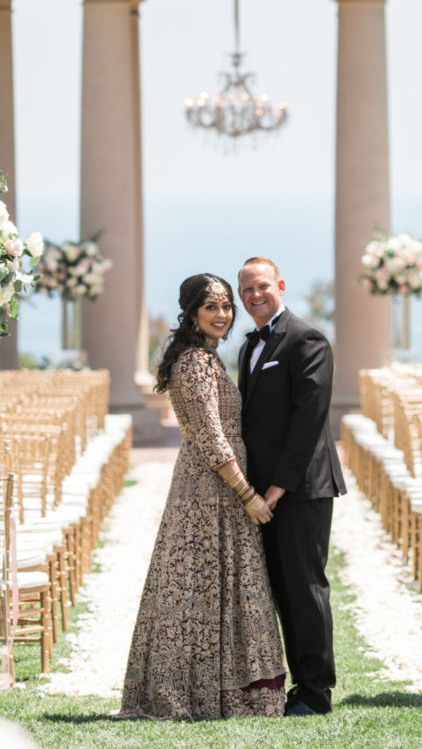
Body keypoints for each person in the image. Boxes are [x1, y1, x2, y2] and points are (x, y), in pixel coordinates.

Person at [119, 273, 286, 719]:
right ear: (191, 312)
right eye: (211, 307)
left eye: (227, 306)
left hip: (221, 491)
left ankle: (228, 693)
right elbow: (212, 437)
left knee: (224, 587)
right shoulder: (194, 362)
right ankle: (194, 695)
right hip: (208, 491)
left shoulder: (209, 359)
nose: (222, 314)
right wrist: (247, 493)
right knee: (199, 587)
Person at [237, 255, 346, 717]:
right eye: (246, 291)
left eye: (262, 286)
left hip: (301, 490)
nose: (255, 296)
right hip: (264, 494)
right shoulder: (248, 347)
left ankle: (316, 692)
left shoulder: (307, 339)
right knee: (280, 590)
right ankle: (295, 687)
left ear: (280, 284)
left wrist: (278, 488)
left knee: (305, 588)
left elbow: (308, 422)